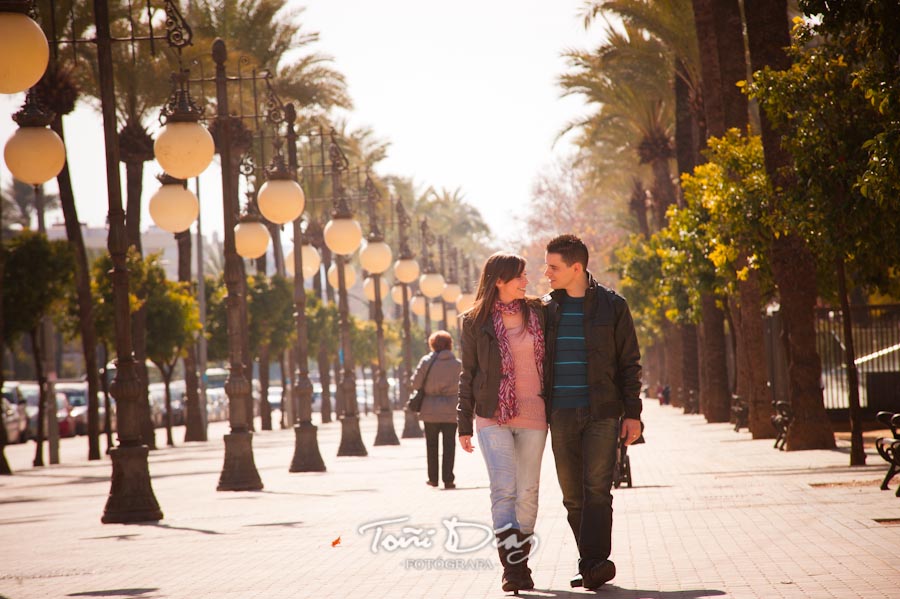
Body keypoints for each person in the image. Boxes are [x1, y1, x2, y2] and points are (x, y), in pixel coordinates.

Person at [542, 234, 643, 590]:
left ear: (576, 267)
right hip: (560, 413)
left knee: (598, 489)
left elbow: (630, 363)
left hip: (602, 411)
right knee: (572, 494)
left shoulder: (613, 306)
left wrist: (633, 413)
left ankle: (594, 561)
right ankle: (592, 562)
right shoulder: (545, 309)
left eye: (553, 267)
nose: (546, 273)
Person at [457, 252, 548, 593]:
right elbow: (469, 373)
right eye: (520, 276)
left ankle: (518, 559)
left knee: (528, 493)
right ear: (499, 280)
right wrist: (463, 423)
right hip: (491, 415)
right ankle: (514, 568)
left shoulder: (540, 311)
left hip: (535, 415)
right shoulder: (474, 321)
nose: (526, 281)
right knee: (503, 491)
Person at [411, 330, 461, 489]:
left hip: (429, 410)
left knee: (431, 446)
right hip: (451, 410)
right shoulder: (458, 364)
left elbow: (415, 384)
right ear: (449, 345)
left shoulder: (426, 362)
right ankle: (448, 479)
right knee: (449, 445)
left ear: (432, 344)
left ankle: (433, 478)